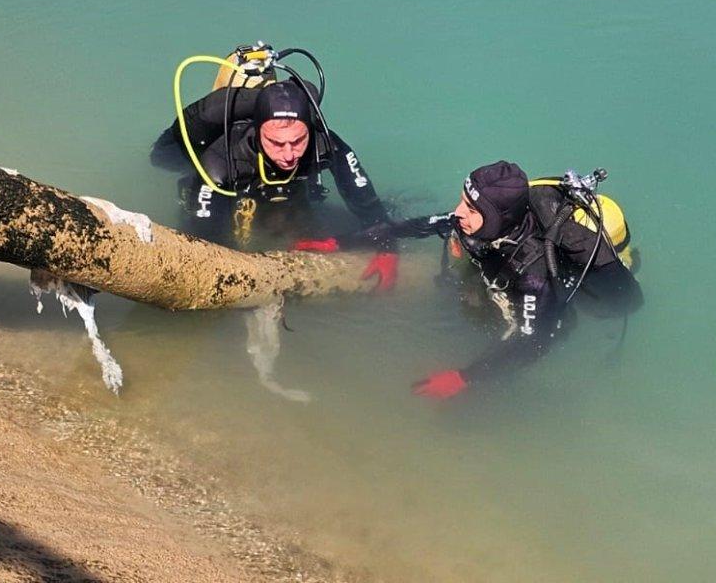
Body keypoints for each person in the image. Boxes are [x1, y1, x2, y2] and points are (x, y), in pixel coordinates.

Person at [295, 161, 643, 398]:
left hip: (548, 311)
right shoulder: (486, 221)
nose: (459, 212)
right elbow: (418, 225)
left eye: (471, 209)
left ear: (499, 219)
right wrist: (341, 242)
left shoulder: (532, 272)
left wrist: (465, 377)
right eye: (463, 201)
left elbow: (532, 341)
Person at [151, 44, 397, 289]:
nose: (289, 154)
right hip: (214, 172)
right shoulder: (221, 162)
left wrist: (387, 247)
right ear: (258, 133)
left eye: (298, 141)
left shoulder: (325, 144)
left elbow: (366, 201)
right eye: (277, 143)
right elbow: (206, 241)